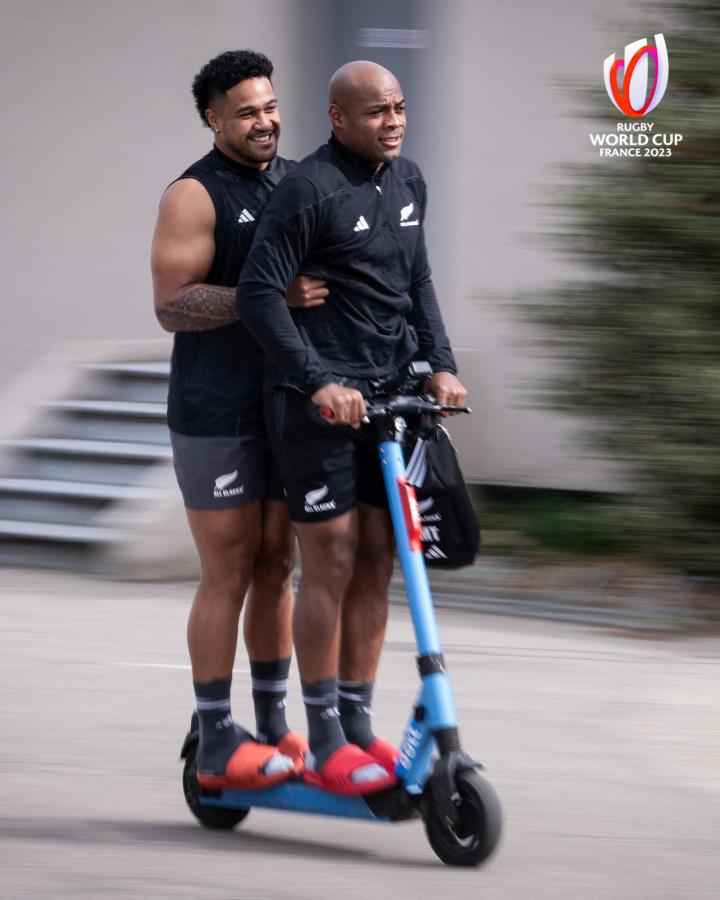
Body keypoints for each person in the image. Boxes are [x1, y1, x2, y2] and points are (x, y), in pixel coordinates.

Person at [235, 61, 468, 795]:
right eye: (376, 112)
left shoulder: (409, 181)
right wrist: (319, 381)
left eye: (399, 108)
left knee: (378, 554)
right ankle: (326, 729)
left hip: (390, 397)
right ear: (338, 118)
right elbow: (258, 295)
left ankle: (360, 721)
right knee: (329, 556)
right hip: (318, 403)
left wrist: (439, 364)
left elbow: (417, 281)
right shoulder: (309, 187)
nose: (393, 122)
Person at [150, 50, 327, 790]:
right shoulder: (194, 194)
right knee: (226, 570)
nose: (265, 121)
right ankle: (217, 734)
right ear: (213, 118)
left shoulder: (300, 182)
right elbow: (172, 305)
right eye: (247, 110)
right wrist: (266, 298)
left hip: (287, 405)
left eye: (270, 105)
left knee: (275, 567)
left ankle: (274, 722)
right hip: (216, 410)